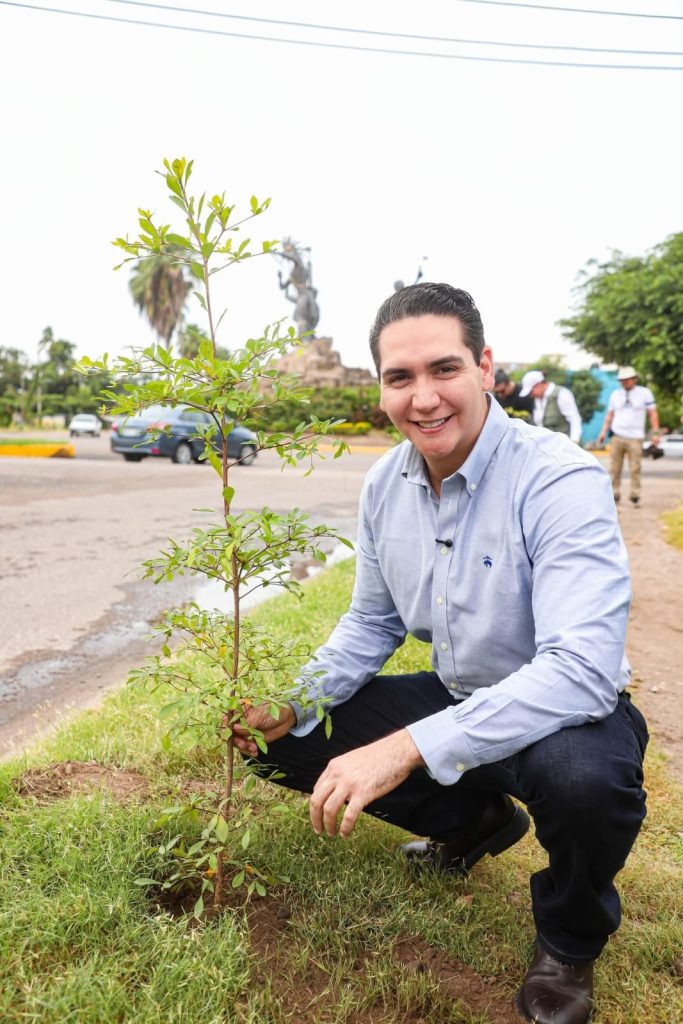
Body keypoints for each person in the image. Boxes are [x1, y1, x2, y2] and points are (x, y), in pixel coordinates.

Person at [235, 284, 648, 1024]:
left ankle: (567, 940)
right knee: (282, 742)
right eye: (400, 378)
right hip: (460, 694)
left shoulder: (557, 478)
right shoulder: (383, 484)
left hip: (564, 714)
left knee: (586, 785)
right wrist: (293, 699)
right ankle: (473, 822)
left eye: (443, 369)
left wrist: (403, 747)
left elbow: (581, 671)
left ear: (485, 367)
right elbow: (369, 622)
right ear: (380, 388)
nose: (423, 398)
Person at [596, 366, 660, 506]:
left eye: (627, 379)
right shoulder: (615, 394)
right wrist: (603, 432)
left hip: (635, 437)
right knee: (614, 467)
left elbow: (652, 413)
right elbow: (610, 415)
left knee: (635, 467)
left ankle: (635, 494)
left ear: (634, 379)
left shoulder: (645, 393)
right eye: (622, 380)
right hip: (617, 435)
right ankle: (615, 493)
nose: (624, 382)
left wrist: (656, 433)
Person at [518, 370, 583, 444]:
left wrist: (574, 441)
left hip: (564, 446)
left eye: (531, 392)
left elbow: (574, 419)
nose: (531, 395)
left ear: (539, 384)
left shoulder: (561, 394)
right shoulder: (537, 400)